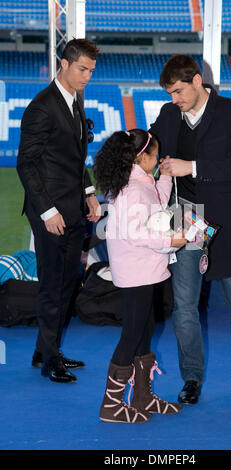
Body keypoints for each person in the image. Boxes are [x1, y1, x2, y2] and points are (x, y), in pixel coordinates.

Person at [150, 54, 231, 406]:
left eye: (178, 92)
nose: (174, 100)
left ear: (197, 80)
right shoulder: (168, 114)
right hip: (182, 219)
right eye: (170, 94)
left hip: (226, 223)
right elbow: (149, 149)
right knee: (184, 308)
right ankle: (191, 378)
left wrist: (191, 167)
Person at [17, 38, 101, 383]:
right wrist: (48, 210)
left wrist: (90, 192)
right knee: (53, 284)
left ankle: (44, 349)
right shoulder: (42, 106)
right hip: (50, 212)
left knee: (67, 281)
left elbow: (75, 157)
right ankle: (50, 359)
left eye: (91, 71)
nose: (87, 76)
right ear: (63, 64)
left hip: (73, 207)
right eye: (82, 69)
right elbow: (27, 164)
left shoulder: (73, 102)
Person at [94, 129, 186, 423]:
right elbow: (135, 232)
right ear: (141, 157)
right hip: (136, 271)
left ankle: (143, 397)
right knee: (132, 334)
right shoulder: (132, 189)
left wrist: (166, 175)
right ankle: (111, 405)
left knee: (144, 331)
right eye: (155, 156)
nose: (157, 159)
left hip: (145, 269)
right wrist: (170, 241)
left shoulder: (139, 182)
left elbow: (156, 201)